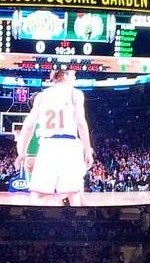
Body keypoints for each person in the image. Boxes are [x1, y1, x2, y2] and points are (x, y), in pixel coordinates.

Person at [15, 68, 93, 206]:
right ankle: (77, 225)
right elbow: (81, 123)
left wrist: (22, 153)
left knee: (37, 195)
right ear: (66, 75)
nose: (75, 78)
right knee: (74, 194)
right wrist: (87, 149)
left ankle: (34, 224)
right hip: (69, 145)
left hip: (48, 146)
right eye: (73, 75)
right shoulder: (75, 94)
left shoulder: (42, 96)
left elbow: (28, 126)